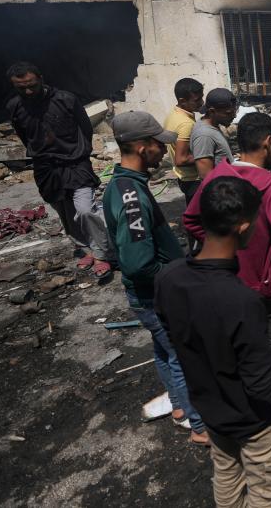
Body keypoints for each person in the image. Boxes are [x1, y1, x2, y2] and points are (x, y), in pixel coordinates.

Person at [156, 176, 271, 507]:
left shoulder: (169, 278)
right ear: (243, 227)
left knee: (227, 474)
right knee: (265, 492)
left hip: (211, 409)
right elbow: (261, 386)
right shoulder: (242, 301)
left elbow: (171, 336)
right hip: (253, 421)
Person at [183, 112, 271, 385]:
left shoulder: (217, 176)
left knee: (238, 345)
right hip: (269, 287)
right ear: (268, 142)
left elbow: (191, 220)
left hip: (227, 281)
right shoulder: (270, 188)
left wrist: (224, 246)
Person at [102, 111, 208, 446]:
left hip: (149, 294)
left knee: (163, 349)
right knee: (183, 354)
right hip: (155, 294)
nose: (162, 151)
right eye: (156, 144)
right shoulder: (130, 197)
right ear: (138, 145)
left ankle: (178, 407)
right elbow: (138, 263)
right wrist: (179, 275)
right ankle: (200, 427)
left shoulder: (125, 185)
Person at [6, 61, 112, 277]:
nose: (28, 91)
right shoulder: (15, 106)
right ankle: (85, 249)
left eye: (32, 85)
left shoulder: (66, 99)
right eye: (21, 88)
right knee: (65, 213)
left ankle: (103, 253)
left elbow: (85, 128)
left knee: (85, 209)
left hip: (75, 163)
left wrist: (80, 152)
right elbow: (24, 136)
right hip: (45, 167)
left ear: (41, 79)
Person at [163, 77, 205, 204]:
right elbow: (181, 159)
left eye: (202, 97)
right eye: (197, 100)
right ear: (182, 101)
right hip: (193, 179)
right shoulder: (186, 123)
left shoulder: (173, 114)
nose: (202, 102)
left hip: (183, 177)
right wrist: (208, 155)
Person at [190, 88, 237, 179]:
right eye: (228, 113)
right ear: (212, 111)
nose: (234, 116)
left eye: (234, 111)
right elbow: (206, 176)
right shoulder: (204, 135)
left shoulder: (213, 126)